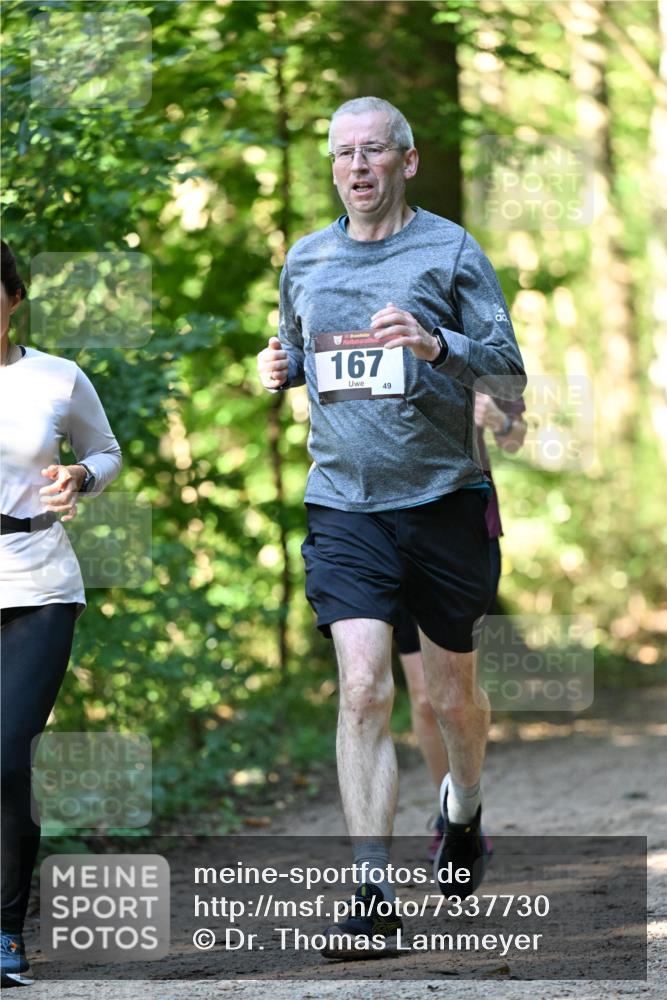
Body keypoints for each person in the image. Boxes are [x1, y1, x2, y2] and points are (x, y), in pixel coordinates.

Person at [256, 96, 526, 959]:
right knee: (365, 687)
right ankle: (371, 892)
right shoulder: (305, 258)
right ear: (333, 168)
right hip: (343, 504)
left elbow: (509, 371)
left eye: (375, 151)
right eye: (344, 155)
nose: (358, 166)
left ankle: (464, 809)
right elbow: (310, 354)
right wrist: (280, 368)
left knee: (450, 698)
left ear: (406, 161)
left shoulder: (448, 249)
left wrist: (438, 344)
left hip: (443, 501)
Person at [0, 241, 122, 987]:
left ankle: (6, 932)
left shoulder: (55, 376)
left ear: (13, 296)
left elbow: (106, 450)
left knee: (6, 757)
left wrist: (79, 473)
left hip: (39, 585)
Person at [395, 390, 527, 861]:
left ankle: (463, 811)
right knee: (426, 698)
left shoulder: (476, 342)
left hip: (459, 535)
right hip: (384, 528)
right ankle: (449, 819)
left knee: (454, 694)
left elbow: (517, 437)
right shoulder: (363, 331)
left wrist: (498, 420)